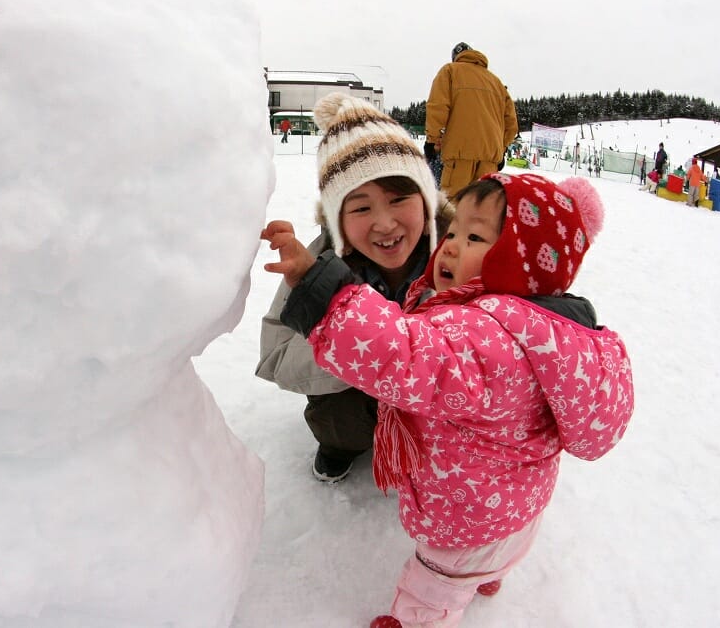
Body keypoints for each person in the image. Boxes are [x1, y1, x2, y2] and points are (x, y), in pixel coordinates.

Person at [261, 172, 634, 628]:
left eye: (475, 236)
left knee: (433, 586)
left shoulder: (485, 338)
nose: (451, 245)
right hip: (517, 509)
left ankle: (422, 616)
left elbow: (403, 351)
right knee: (493, 553)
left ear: (528, 263)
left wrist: (320, 286)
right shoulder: (547, 331)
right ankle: (488, 575)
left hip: (467, 519)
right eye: (454, 230)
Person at [256, 91, 450, 483]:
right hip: (354, 405)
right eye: (361, 207)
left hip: (439, 404)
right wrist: (332, 314)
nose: (384, 223)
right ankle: (341, 444)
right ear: (337, 219)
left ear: (427, 200)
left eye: (399, 198)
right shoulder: (319, 262)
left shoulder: (461, 256)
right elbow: (275, 357)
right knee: (336, 416)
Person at [424, 42, 518, 198]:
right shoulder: (496, 83)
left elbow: (438, 107)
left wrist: (432, 141)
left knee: (452, 207)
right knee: (482, 208)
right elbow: (511, 124)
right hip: (490, 158)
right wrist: (501, 150)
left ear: (455, 57)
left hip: (458, 154)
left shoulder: (449, 71)